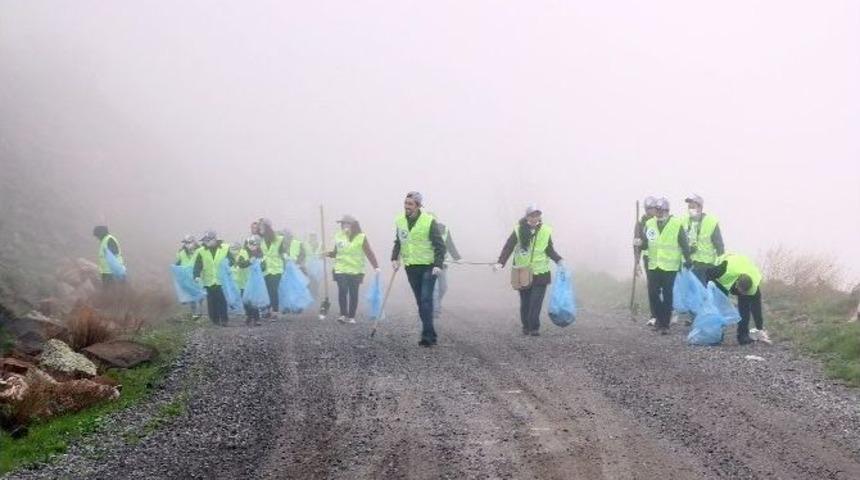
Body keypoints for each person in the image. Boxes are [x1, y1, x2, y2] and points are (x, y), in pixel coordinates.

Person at [494, 205, 565, 336]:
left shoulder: (545, 230)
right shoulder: (518, 230)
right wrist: (500, 262)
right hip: (523, 271)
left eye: (537, 215)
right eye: (532, 215)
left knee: (536, 301)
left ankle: (534, 327)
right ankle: (526, 326)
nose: (535, 218)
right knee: (525, 301)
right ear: (527, 217)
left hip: (541, 272)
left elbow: (549, 249)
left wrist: (559, 260)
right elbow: (508, 247)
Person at [391, 191, 446, 347]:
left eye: (410, 204)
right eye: (405, 203)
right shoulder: (400, 221)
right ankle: (431, 332)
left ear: (418, 206)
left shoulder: (429, 221)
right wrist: (394, 258)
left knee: (426, 299)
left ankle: (427, 336)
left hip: (428, 266)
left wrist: (438, 264)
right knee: (420, 302)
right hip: (411, 267)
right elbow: (398, 242)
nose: (406, 207)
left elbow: (440, 246)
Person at [639, 198, 693, 335]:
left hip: (670, 266)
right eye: (656, 211)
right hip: (654, 265)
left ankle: (664, 324)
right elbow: (646, 243)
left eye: (660, 211)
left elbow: (684, 243)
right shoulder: (649, 224)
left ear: (666, 211)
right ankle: (659, 318)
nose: (657, 213)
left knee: (668, 294)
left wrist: (688, 258)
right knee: (653, 294)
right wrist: (639, 243)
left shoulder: (676, 224)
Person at [707, 254, 770, 345]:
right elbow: (708, 274)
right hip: (723, 271)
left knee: (744, 308)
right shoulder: (723, 270)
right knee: (719, 306)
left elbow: (756, 307)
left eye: (744, 292)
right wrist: (711, 288)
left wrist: (759, 327)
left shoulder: (754, 287)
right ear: (737, 283)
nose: (741, 294)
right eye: (740, 291)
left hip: (742, 268)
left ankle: (743, 336)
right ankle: (716, 335)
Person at [327, 215, 380, 324]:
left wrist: (376, 266)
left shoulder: (361, 237)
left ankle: (351, 316)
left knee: (353, 293)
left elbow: (368, 252)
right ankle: (342, 314)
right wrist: (327, 254)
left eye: (347, 223)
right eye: (343, 224)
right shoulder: (338, 236)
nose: (344, 226)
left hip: (356, 270)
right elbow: (336, 253)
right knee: (342, 289)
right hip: (340, 269)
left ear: (353, 225)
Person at [681, 194, 725, 284]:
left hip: (705, 267)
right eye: (689, 207)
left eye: (693, 207)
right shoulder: (683, 221)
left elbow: (720, 248)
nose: (690, 209)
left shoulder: (711, 223)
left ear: (700, 208)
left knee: (702, 296)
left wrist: (718, 268)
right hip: (688, 266)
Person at [193, 230, 234, 326]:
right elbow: (198, 265)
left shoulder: (225, 248)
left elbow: (231, 260)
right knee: (211, 301)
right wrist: (196, 275)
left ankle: (224, 319)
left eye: (208, 240)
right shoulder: (201, 251)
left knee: (222, 300)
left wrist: (228, 265)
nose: (206, 242)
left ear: (214, 239)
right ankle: (214, 319)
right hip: (208, 280)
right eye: (205, 241)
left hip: (221, 280)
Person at [430, 213, 463, 319]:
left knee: (443, 288)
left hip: (442, 265)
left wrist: (457, 258)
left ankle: (436, 304)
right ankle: (435, 311)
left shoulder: (444, 230)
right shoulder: (422, 231)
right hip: (429, 265)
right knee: (434, 289)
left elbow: (450, 244)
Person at [634, 197, 658, 324]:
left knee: (664, 288)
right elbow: (636, 243)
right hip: (649, 259)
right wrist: (637, 261)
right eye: (648, 209)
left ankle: (667, 312)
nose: (651, 211)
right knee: (652, 287)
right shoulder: (640, 224)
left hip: (664, 260)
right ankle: (654, 314)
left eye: (653, 208)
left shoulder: (660, 221)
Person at [258, 218, 286, 319]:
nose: (260, 228)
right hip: (265, 268)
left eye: (261, 226)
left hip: (276, 268)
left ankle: (275, 311)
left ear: (266, 227)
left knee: (273, 289)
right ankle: (267, 309)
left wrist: (286, 262)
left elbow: (282, 253)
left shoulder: (279, 239)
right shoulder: (260, 240)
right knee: (266, 289)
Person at [233, 236, 264, 326]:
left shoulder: (260, 254)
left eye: (255, 244)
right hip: (243, 281)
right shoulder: (242, 252)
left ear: (258, 245)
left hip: (254, 281)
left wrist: (259, 267)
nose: (252, 246)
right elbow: (241, 264)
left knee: (254, 301)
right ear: (247, 243)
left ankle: (256, 318)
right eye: (250, 243)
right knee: (245, 301)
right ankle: (249, 315)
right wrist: (249, 262)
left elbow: (264, 266)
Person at [175, 234, 203, 318]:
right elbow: (178, 263)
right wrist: (176, 269)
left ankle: (200, 310)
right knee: (191, 295)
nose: (187, 244)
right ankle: (194, 313)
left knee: (200, 294)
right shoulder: (181, 252)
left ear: (194, 242)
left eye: (189, 242)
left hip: (199, 276)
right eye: (185, 243)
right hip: (187, 277)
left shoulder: (201, 251)